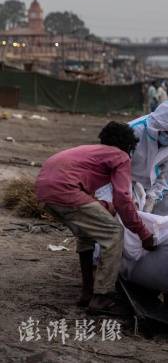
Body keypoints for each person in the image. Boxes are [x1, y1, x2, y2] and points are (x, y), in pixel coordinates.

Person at [35, 122, 157, 315]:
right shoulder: (121, 156)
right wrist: (144, 234)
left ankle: (87, 292)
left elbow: (90, 199)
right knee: (113, 233)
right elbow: (123, 198)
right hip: (65, 190)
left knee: (85, 234)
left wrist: (107, 207)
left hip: (44, 190)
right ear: (128, 146)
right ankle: (102, 298)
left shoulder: (91, 152)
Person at [129, 100, 168, 216]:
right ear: (157, 126)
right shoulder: (134, 131)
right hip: (130, 182)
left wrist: (153, 196)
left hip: (158, 185)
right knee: (130, 217)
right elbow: (119, 165)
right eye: (167, 132)